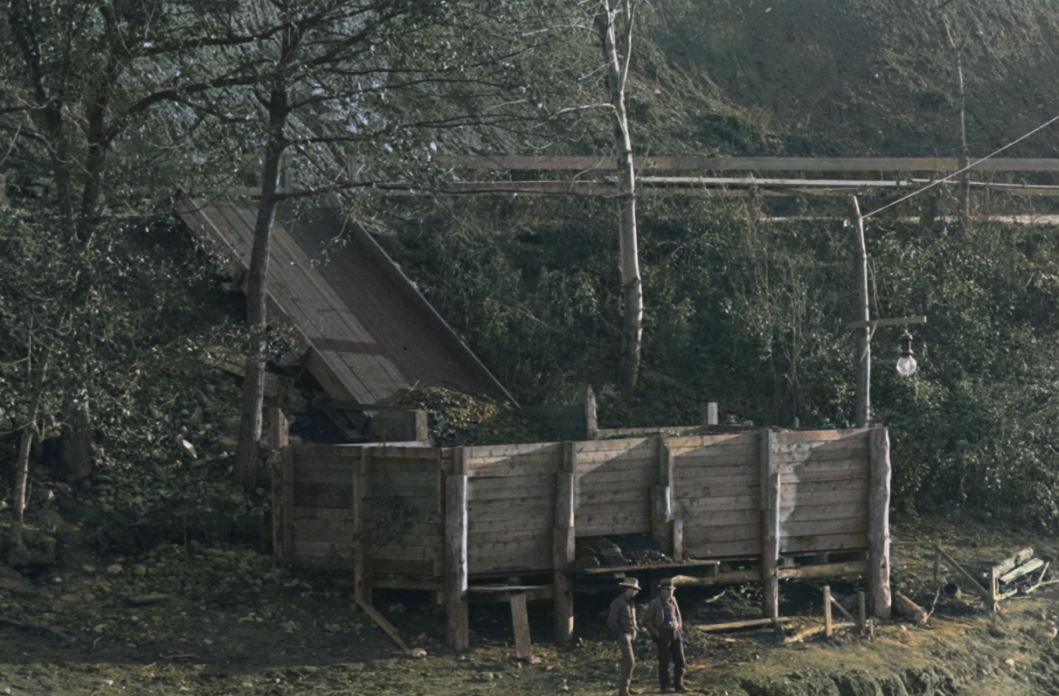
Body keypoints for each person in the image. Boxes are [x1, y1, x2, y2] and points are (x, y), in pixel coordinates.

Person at [643, 577, 686, 693]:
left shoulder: (674, 600)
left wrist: (679, 626)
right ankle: (665, 686)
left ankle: (679, 684)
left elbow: (678, 615)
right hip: (663, 632)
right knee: (664, 661)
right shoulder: (654, 603)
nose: (669, 592)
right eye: (666, 590)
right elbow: (646, 620)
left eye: (671, 590)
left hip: (675, 632)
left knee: (680, 660)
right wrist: (655, 632)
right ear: (661, 591)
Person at [606, 576, 642, 696]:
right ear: (628, 589)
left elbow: (633, 619)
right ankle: (623, 691)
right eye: (634, 589)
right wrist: (621, 634)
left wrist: (636, 629)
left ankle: (628, 687)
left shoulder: (630, 603)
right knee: (629, 662)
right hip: (625, 636)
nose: (636, 592)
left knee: (632, 662)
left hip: (633, 635)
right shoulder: (617, 602)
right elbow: (611, 621)